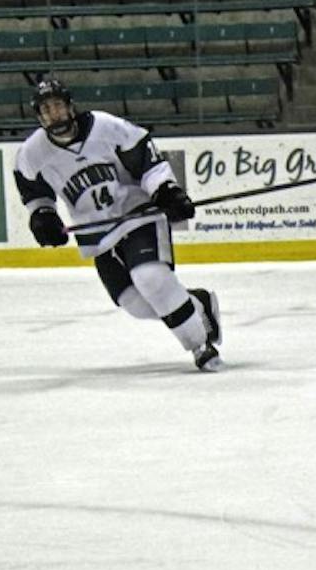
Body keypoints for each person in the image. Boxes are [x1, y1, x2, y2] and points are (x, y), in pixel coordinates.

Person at [13, 77, 223, 372]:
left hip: (137, 214)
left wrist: (166, 190)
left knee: (151, 277)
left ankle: (200, 344)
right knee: (135, 304)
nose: (54, 114)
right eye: (46, 110)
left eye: (58, 106)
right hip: (97, 233)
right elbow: (36, 196)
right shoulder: (32, 153)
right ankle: (197, 305)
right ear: (39, 116)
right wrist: (43, 216)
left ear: (70, 106)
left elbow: (148, 163)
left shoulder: (105, 127)